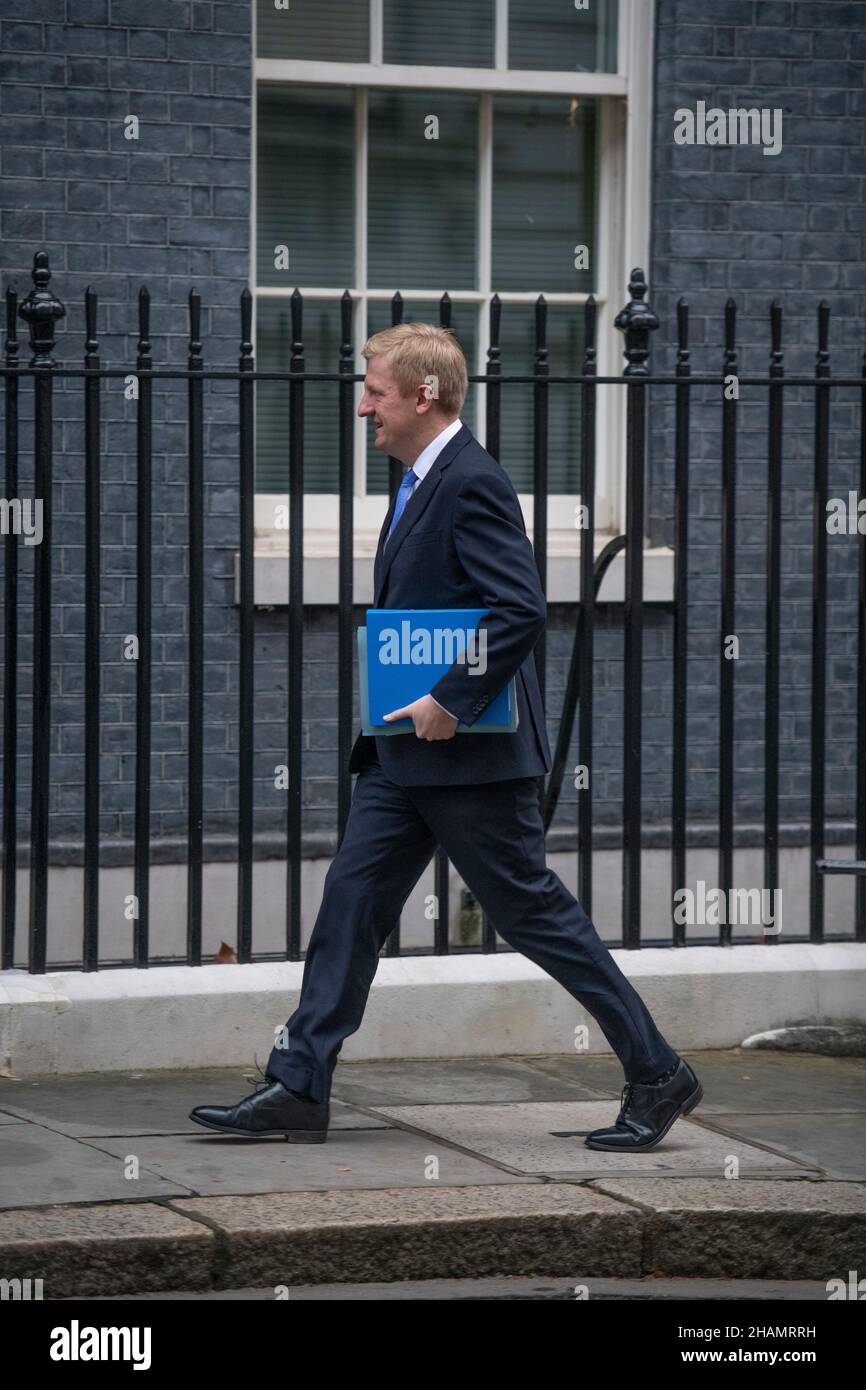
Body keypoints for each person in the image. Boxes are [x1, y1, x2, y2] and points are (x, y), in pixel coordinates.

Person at [190, 323, 702, 1150]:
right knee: (351, 905)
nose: (363, 408)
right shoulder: (421, 479)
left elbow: (519, 609)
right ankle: (299, 1085)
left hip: (468, 758)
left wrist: (451, 700)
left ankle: (657, 1072)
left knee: (533, 915)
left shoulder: (470, 481)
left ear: (423, 396)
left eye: (375, 392)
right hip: (402, 758)